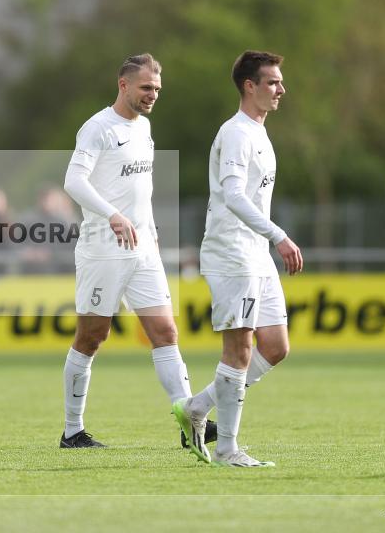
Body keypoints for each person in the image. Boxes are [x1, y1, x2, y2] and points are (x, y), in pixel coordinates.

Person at [59, 53, 214, 453]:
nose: (153, 95)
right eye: (146, 87)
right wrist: (112, 215)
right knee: (92, 337)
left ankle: (189, 420)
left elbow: (138, 191)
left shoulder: (144, 128)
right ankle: (72, 431)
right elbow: (73, 181)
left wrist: (150, 234)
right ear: (123, 85)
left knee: (164, 332)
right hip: (103, 249)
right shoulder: (97, 128)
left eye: (158, 89)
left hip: (144, 248)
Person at [174, 50, 303, 468]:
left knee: (276, 346)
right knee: (239, 349)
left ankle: (197, 407)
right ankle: (228, 449)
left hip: (255, 253)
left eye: (280, 82)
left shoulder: (260, 133)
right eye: (272, 82)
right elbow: (232, 195)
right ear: (250, 86)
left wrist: (268, 240)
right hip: (232, 251)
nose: (281, 89)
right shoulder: (236, 133)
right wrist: (278, 234)